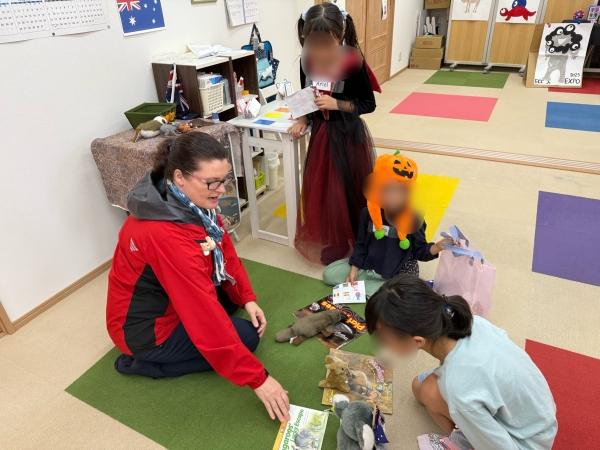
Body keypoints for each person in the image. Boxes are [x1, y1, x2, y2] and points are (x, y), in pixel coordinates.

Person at [106, 132, 290, 422]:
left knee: (232, 301)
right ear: (180, 177)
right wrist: (259, 379)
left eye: (224, 179)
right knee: (246, 337)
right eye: (211, 182)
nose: (221, 190)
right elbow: (203, 314)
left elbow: (223, 247)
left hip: (167, 298)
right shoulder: (164, 234)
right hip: (145, 332)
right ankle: (144, 364)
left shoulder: (183, 198)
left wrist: (247, 298)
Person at [365, 275, 557, 450]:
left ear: (417, 341)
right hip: (538, 419)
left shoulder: (459, 388)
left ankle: (467, 439)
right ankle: (470, 429)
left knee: (433, 392)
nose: (382, 348)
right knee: (420, 386)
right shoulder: (471, 322)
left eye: (384, 341)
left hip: (525, 443)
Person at [290, 2, 380, 265]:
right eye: (312, 43)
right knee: (327, 192)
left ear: (340, 35)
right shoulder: (307, 60)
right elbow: (306, 93)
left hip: (348, 135)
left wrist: (336, 104)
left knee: (350, 188)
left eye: (326, 44)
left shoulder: (353, 61)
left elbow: (368, 104)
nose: (319, 51)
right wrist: (303, 117)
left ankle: (358, 236)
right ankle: (336, 239)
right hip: (322, 135)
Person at [323, 154, 450, 296]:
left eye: (399, 190)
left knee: (399, 290)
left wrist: (438, 246)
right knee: (329, 274)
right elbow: (361, 244)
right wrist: (354, 269)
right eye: (387, 189)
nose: (393, 196)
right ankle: (376, 287)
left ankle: (383, 289)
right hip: (370, 267)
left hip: (398, 271)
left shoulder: (412, 218)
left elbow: (420, 251)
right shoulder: (368, 213)